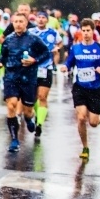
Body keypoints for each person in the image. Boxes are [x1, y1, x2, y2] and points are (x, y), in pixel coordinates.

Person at [0, 13, 51, 153]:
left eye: (21, 21)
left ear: (26, 24)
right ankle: (14, 139)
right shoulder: (8, 39)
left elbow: (46, 53)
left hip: (28, 78)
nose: (18, 24)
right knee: (11, 105)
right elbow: (3, 56)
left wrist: (34, 60)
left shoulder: (34, 39)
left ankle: (29, 118)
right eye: (16, 21)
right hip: (11, 77)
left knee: (28, 110)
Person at [60, 19, 100, 159]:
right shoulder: (75, 48)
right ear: (81, 32)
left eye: (89, 30)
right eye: (84, 30)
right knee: (81, 117)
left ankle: (99, 117)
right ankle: (85, 147)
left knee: (93, 123)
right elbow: (69, 62)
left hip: (95, 89)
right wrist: (65, 67)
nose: (86, 33)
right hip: (80, 88)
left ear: (93, 31)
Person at [29, 11, 62, 139]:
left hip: (46, 67)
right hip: (32, 68)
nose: (41, 20)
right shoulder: (31, 32)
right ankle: (39, 115)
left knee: (42, 96)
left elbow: (59, 43)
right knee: (34, 97)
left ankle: (39, 125)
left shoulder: (53, 32)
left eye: (43, 18)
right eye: (39, 18)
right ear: (36, 19)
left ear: (47, 20)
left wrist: (56, 48)